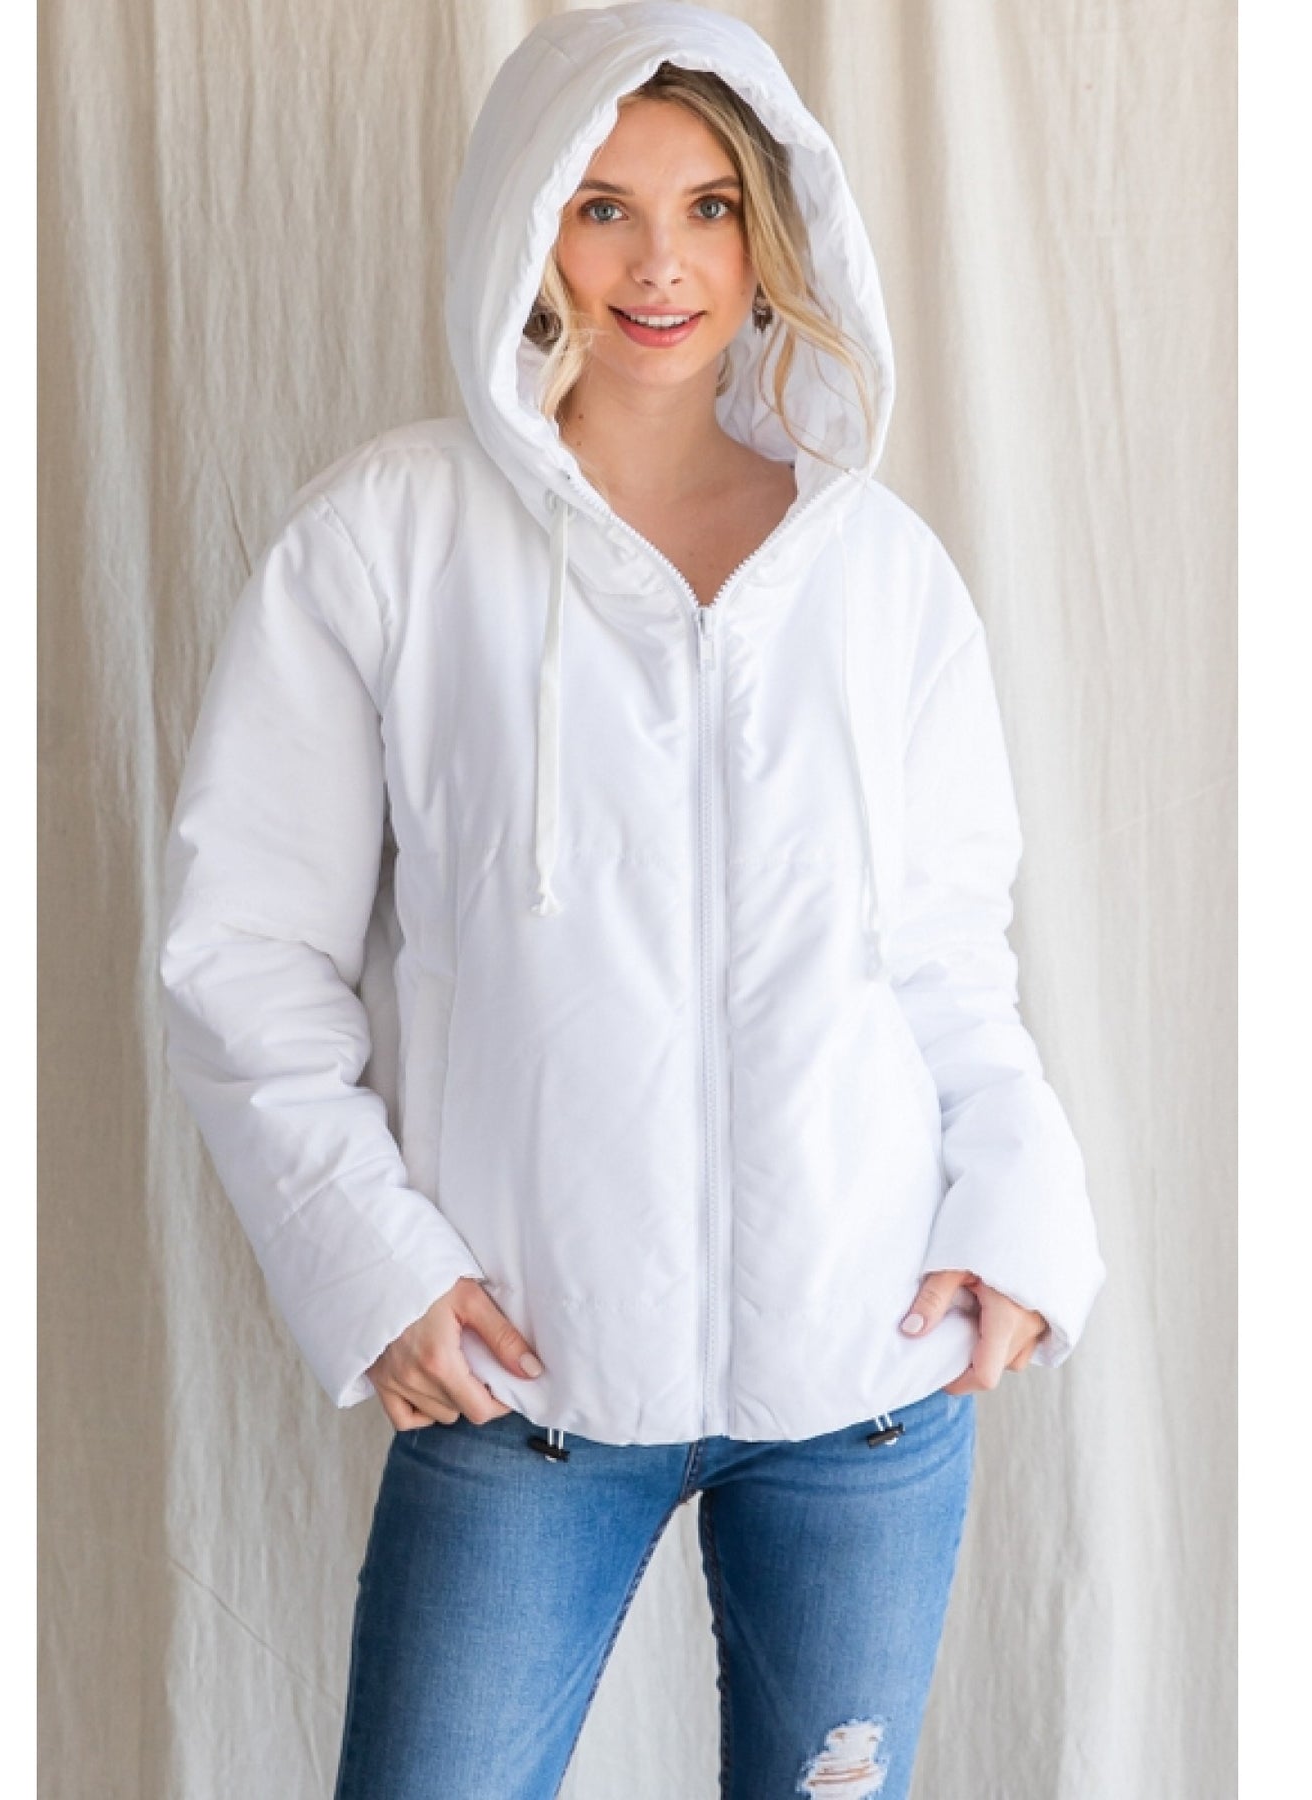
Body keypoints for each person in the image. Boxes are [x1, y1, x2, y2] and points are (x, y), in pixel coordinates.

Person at [158, 4, 1107, 1795]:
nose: (660, 264)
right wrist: (373, 1260)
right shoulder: (385, 542)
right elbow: (245, 954)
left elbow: (943, 959)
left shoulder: (880, 573)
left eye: (707, 207)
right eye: (602, 207)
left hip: (865, 1382)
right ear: (528, 225)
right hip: (525, 1385)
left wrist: (1016, 1218)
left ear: (770, 232)